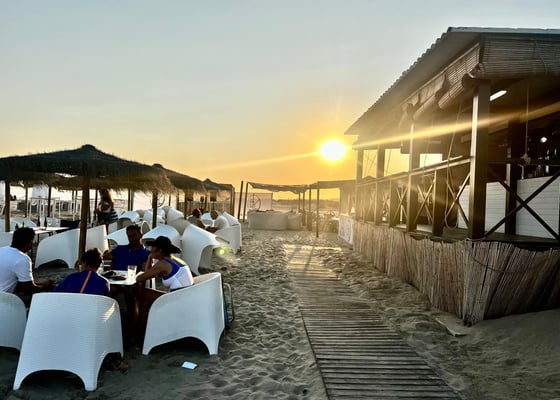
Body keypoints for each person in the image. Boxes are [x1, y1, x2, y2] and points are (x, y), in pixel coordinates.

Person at [133, 236, 194, 341]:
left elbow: (140, 278)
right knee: (144, 299)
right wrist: (150, 258)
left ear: (159, 250)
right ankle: (144, 331)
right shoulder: (173, 260)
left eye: (153, 247)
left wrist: (149, 258)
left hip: (177, 301)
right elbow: (148, 274)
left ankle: (140, 334)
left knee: (140, 293)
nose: (150, 249)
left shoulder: (163, 264)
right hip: (184, 298)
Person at [0, 227, 54, 304]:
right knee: (41, 298)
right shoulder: (22, 259)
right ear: (30, 242)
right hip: (3, 300)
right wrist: (43, 286)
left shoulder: (2, 250)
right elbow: (28, 288)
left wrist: (39, 284)